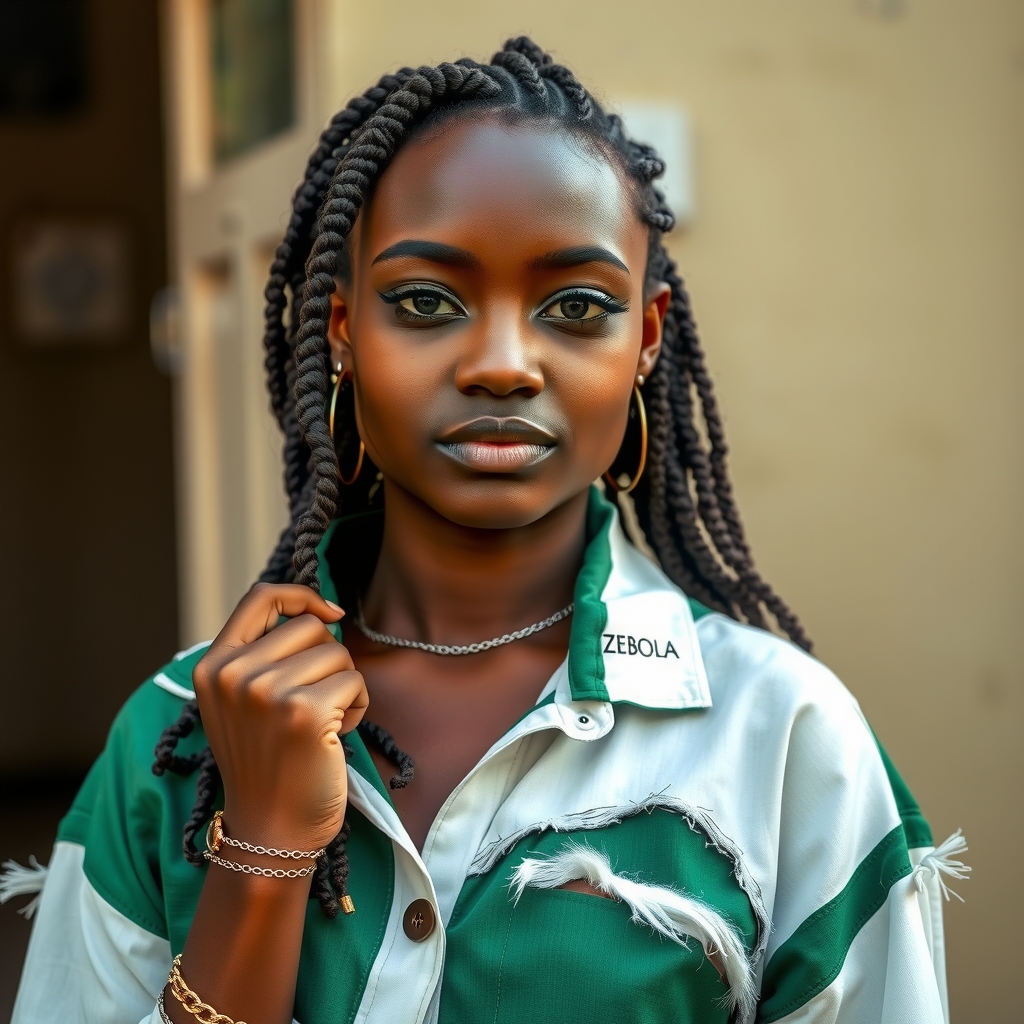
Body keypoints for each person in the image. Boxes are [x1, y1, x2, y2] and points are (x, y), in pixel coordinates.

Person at [8, 37, 966, 1024]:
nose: (503, 364)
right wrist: (261, 851)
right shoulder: (175, 743)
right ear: (341, 331)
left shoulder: (784, 739)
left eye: (576, 305)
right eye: (425, 301)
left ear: (645, 335)